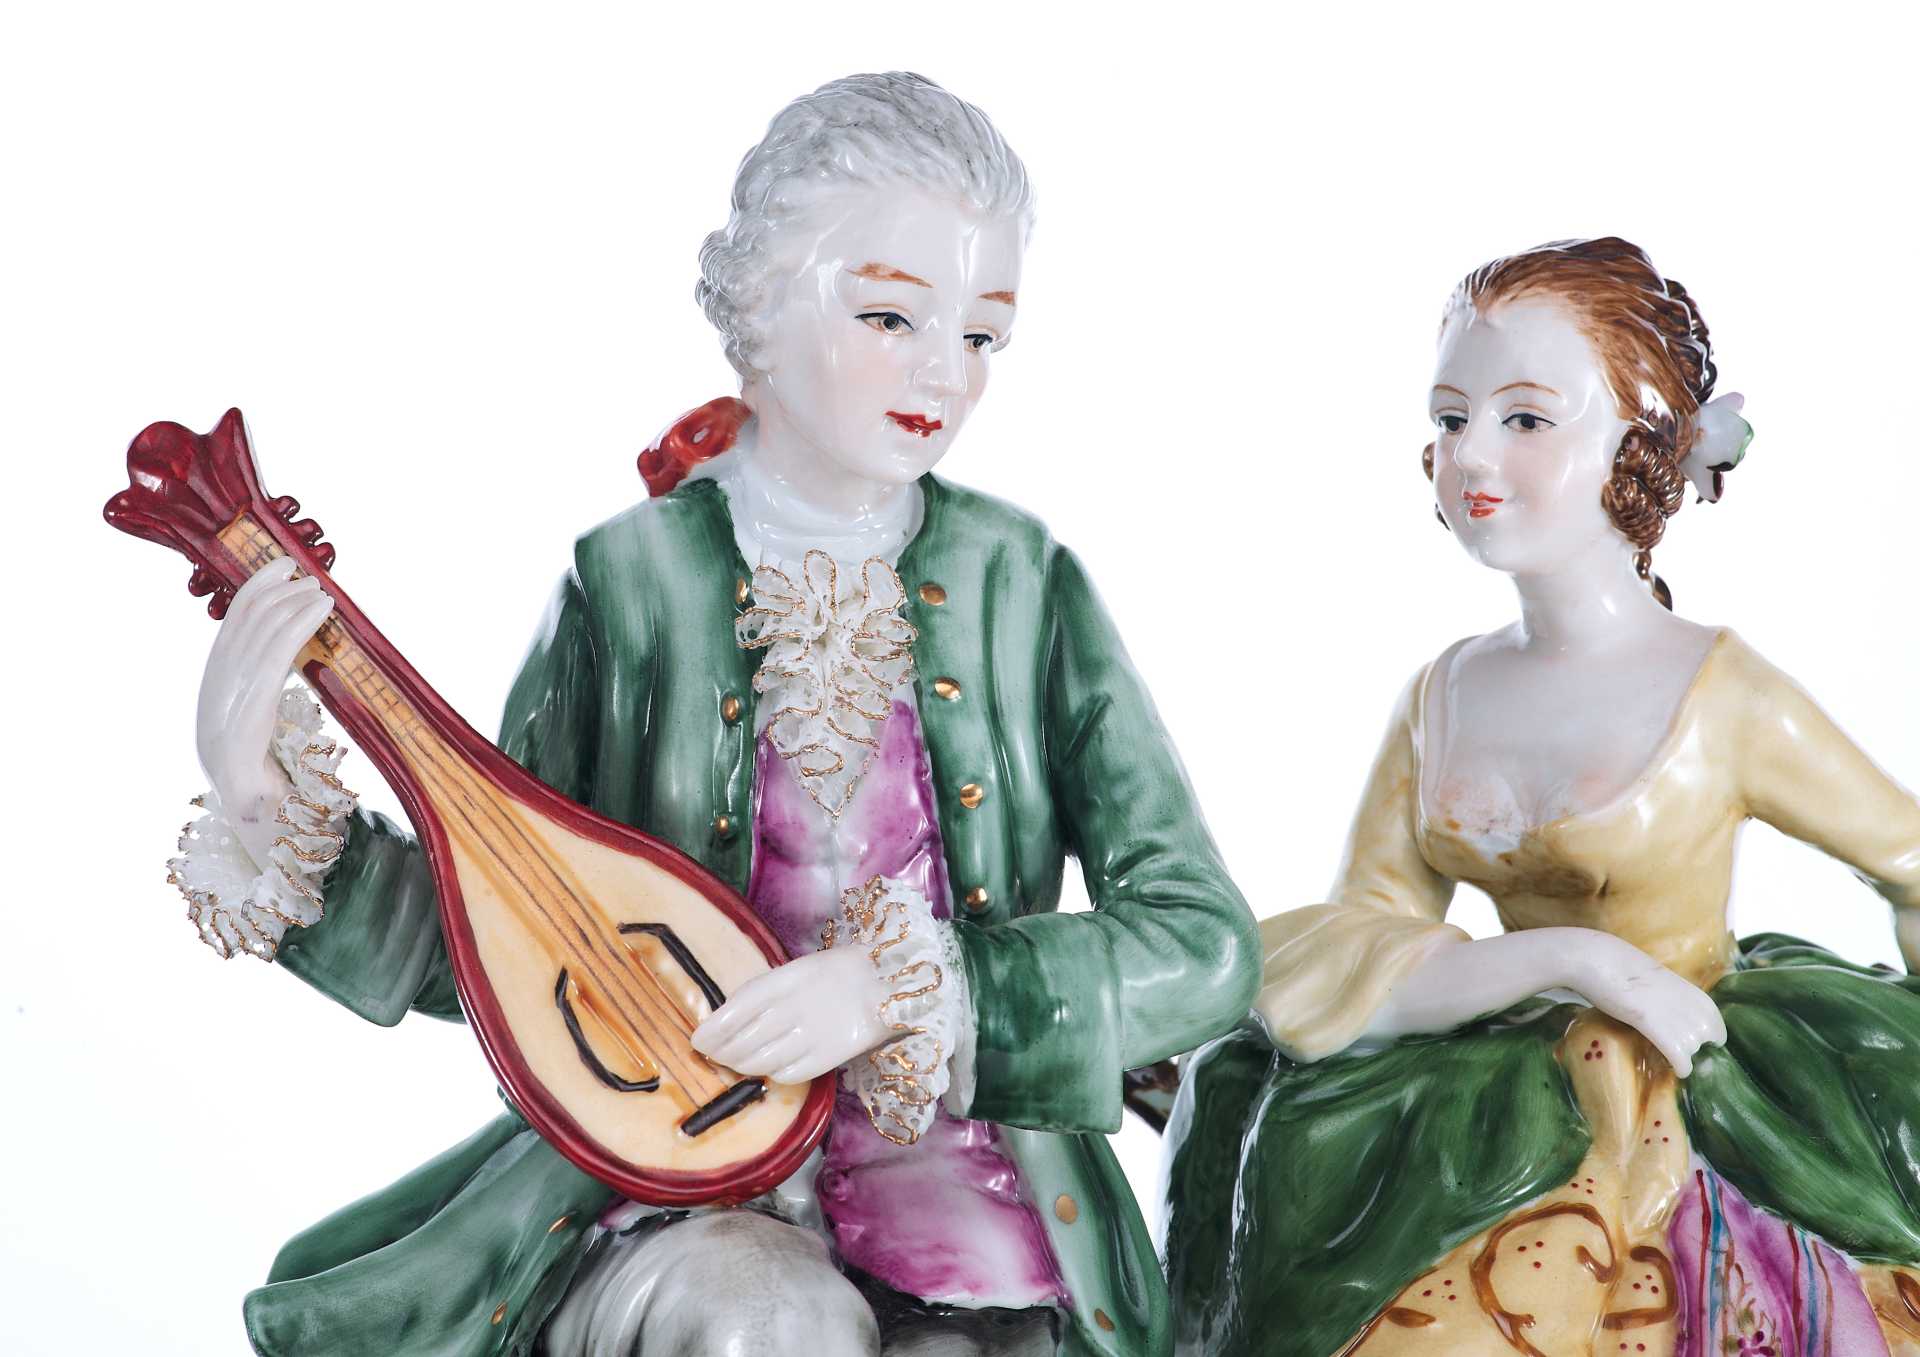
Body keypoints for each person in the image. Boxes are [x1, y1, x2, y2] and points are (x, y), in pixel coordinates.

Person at [169, 72, 1260, 1357]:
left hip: (968, 1210)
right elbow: (502, 942)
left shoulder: (1021, 588)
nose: (944, 372)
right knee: (765, 1324)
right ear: (760, 306)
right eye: (890, 315)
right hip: (679, 1196)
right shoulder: (632, 588)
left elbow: (1203, 943)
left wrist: (919, 991)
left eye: (982, 336)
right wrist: (265, 802)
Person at [1160, 238, 1920, 1357]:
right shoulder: (1441, 696)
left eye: (1525, 418)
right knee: (1265, 1110)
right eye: (1451, 415)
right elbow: (1363, 940)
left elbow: (1908, 858)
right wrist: (1572, 960)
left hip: (1693, 1083)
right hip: (1493, 1088)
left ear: (1637, 441)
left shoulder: (1723, 695)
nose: (1470, 452)